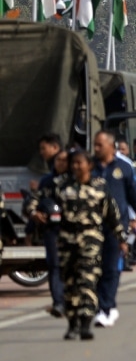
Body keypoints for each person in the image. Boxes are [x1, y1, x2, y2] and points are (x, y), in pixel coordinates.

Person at [40, 150, 126, 340]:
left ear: (89, 165)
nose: (76, 166)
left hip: (90, 242)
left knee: (87, 282)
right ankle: (73, 325)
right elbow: (39, 200)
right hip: (67, 242)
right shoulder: (61, 186)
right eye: (73, 163)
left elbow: (112, 214)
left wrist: (121, 238)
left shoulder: (100, 186)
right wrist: (35, 212)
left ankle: (86, 323)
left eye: (80, 163)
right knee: (70, 285)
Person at [92, 131, 136, 328]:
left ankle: (105, 308)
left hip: (117, 227)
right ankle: (107, 304)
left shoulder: (124, 167)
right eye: (95, 145)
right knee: (94, 268)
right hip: (92, 226)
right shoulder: (89, 167)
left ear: (111, 146)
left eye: (100, 145)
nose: (96, 148)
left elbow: (135, 198)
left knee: (112, 266)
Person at [26, 134, 66, 316]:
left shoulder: (79, 182)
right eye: (58, 161)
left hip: (75, 229)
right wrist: (34, 215)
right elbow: (34, 201)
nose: (61, 163)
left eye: (64, 161)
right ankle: (58, 302)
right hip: (53, 230)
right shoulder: (47, 181)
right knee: (54, 265)